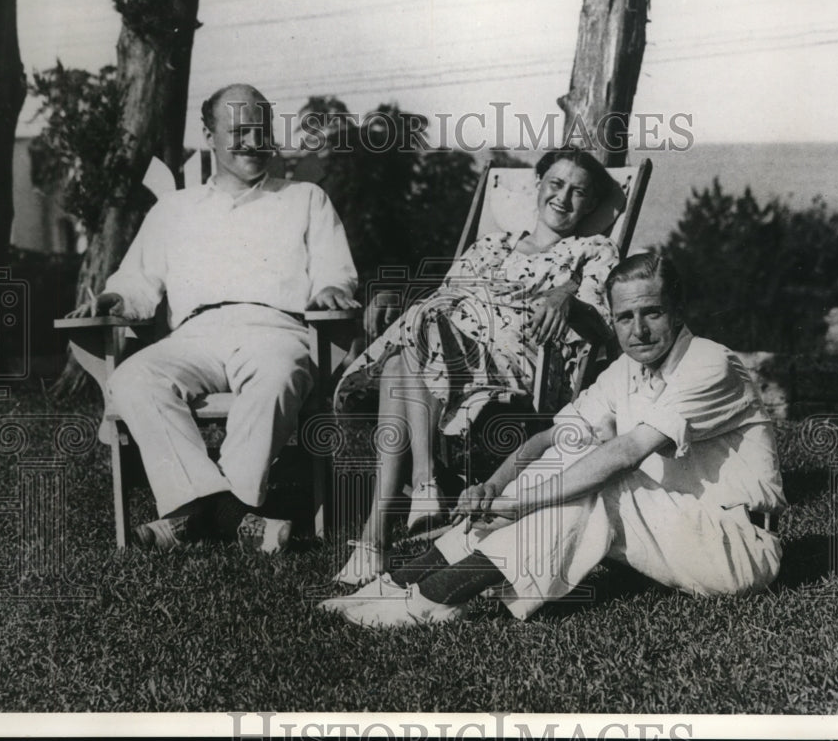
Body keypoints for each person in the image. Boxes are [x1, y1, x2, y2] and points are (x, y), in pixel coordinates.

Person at [321, 252, 787, 626]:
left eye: (653, 313)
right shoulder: (626, 370)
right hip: (673, 528)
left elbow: (624, 454)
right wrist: (494, 487)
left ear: (679, 311)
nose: (638, 330)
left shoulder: (710, 362)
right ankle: (404, 583)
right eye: (624, 318)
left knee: (603, 479)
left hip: (737, 545)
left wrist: (523, 505)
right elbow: (547, 439)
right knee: (571, 451)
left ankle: (433, 597)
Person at [68, 83, 359, 553]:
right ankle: (232, 516)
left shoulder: (304, 198)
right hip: (194, 334)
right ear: (209, 135)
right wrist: (112, 299)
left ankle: (195, 515)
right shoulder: (174, 209)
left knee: (280, 372)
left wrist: (330, 289)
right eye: (239, 131)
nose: (252, 141)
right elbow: (137, 281)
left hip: (275, 328)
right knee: (134, 377)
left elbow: (335, 272)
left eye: (261, 130)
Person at [331, 149, 622, 585]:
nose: (563, 198)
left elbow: (604, 321)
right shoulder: (492, 244)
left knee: (413, 338)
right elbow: (446, 297)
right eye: (556, 184)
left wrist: (566, 295)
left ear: (592, 206)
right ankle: (388, 525)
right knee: (410, 345)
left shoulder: (591, 250)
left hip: (520, 361)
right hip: (451, 352)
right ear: (538, 186)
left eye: (579, 192)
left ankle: (393, 519)